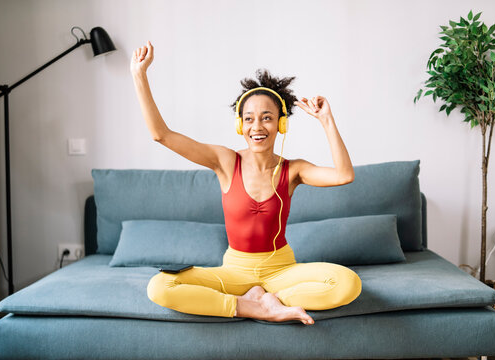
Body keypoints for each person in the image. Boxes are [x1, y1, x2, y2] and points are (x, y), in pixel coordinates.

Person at [130, 40, 362, 326]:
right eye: (249, 119)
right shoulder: (226, 162)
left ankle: (269, 298)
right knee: (160, 286)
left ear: (281, 123)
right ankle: (252, 306)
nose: (257, 127)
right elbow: (161, 135)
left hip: (281, 270)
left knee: (347, 283)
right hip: (235, 272)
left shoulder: (294, 170)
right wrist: (139, 76)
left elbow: (344, 175)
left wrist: (326, 121)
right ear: (240, 125)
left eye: (267, 118)